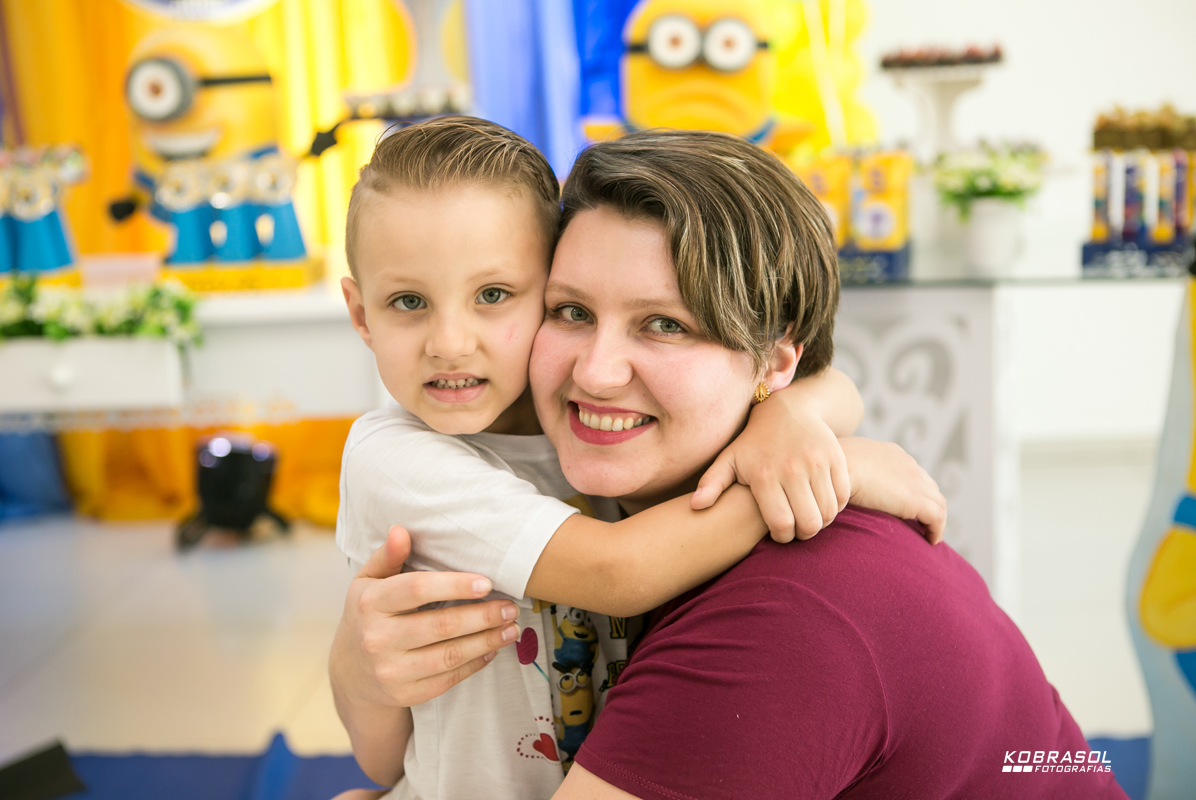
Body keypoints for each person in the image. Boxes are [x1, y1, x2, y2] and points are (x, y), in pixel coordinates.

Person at [346, 128, 1128, 799]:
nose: (596, 372)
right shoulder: (530, 455)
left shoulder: (784, 616)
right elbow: (618, 570)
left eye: (665, 325)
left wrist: (806, 434)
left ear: (776, 362)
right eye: (572, 311)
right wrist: (820, 452)